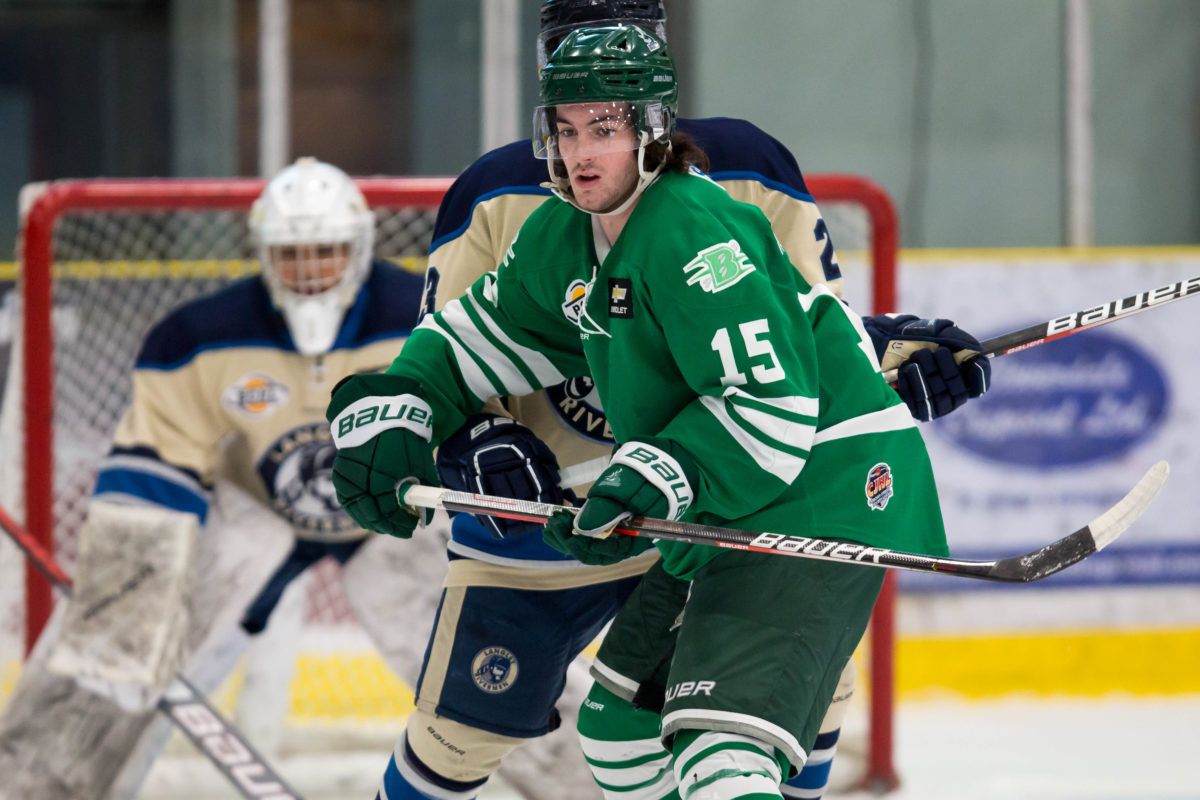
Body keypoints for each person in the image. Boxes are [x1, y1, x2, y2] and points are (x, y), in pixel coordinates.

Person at [372, 3, 990, 799]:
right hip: (553, 514)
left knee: (774, 721)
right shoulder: (499, 193)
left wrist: (895, 357)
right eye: (569, 115)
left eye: (606, 110)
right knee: (468, 732)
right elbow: (460, 346)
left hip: (728, 497)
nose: (582, 139)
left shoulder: (745, 167)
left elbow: (793, 337)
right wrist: (469, 439)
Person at [0, 158, 446, 800]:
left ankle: (588, 786)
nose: (310, 270)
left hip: (397, 523)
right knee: (109, 652)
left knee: (499, 660)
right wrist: (131, 594)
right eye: (291, 254)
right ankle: (31, 789)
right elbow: (153, 464)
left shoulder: (428, 317)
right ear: (263, 256)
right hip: (250, 514)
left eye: (326, 251)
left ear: (361, 249)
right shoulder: (198, 336)